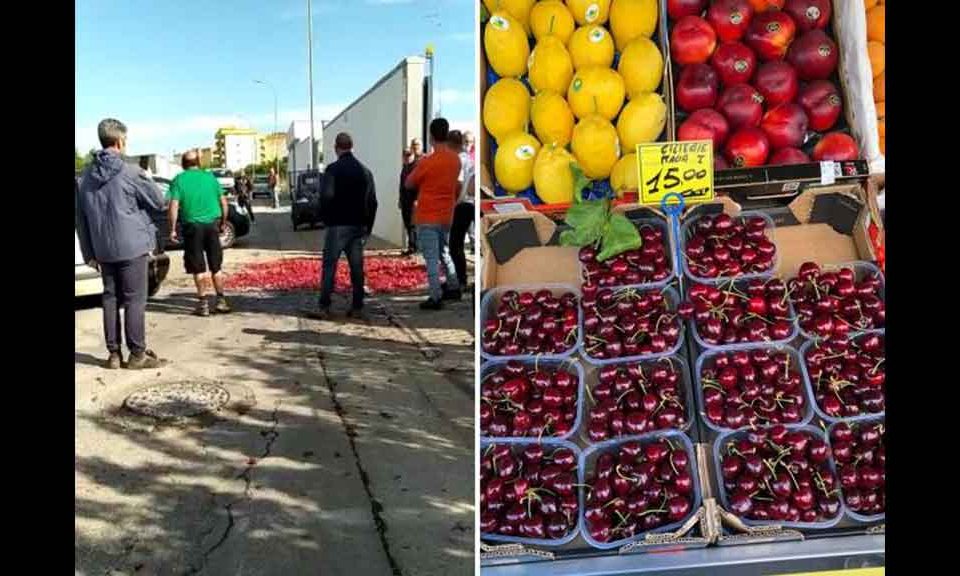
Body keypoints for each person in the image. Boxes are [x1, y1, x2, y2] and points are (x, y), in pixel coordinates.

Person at [76, 118, 166, 369]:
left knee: (110, 298)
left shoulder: (85, 178)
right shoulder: (131, 171)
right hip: (132, 246)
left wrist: (89, 253)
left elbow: (80, 219)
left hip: (103, 249)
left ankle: (114, 354)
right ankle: (137, 354)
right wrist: (147, 178)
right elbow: (158, 202)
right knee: (135, 299)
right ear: (119, 141)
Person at [308, 132, 378, 320]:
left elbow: (326, 197)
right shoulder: (365, 171)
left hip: (337, 226)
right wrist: (368, 228)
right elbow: (372, 202)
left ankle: (324, 305)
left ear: (336, 148)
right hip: (357, 226)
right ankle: (357, 306)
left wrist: (326, 219)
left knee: (330, 265)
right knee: (356, 267)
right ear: (352, 146)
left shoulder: (332, 170)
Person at [405, 118, 461, 310]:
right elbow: (457, 185)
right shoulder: (455, 160)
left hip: (428, 215)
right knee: (445, 253)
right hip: (447, 215)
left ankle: (435, 296)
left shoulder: (427, 162)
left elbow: (409, 183)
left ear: (430, 136)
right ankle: (453, 286)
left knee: (430, 257)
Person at [168, 150, 232, 317]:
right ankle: (221, 301)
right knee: (216, 266)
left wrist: (173, 229)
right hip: (212, 225)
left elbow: (173, 205)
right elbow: (224, 203)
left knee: (198, 267)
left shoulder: (179, 180)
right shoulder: (210, 178)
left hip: (192, 227)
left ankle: (203, 304)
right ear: (199, 162)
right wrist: (223, 223)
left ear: (183, 164)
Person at [447, 130, 475, 290]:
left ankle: (460, 280)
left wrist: (452, 204)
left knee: (455, 244)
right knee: (457, 244)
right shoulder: (468, 159)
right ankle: (461, 279)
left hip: (462, 205)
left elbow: (458, 185)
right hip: (468, 204)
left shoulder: (458, 159)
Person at [398, 148, 418, 256]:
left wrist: (416, 200)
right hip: (405, 200)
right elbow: (401, 186)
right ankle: (411, 246)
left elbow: (419, 185)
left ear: (413, 155)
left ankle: (413, 247)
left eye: (409, 155)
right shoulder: (404, 168)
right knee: (407, 224)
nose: (407, 157)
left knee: (412, 225)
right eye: (405, 155)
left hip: (413, 200)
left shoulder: (416, 168)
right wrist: (400, 200)